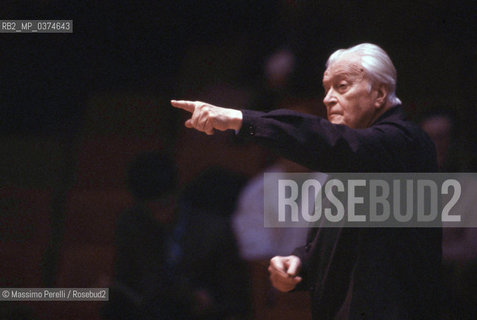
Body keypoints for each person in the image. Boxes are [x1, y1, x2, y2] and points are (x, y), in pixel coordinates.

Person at [171, 43, 442, 319]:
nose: (328, 99)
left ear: (380, 93)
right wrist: (300, 263)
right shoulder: (353, 155)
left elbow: (330, 142)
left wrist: (239, 119)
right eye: (327, 88)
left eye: (342, 86)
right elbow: (346, 243)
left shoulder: (405, 142)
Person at [103, 152, 250, 320]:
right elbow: (127, 281)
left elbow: (236, 299)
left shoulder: (213, 230)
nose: (160, 216)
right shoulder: (132, 225)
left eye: (165, 206)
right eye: (151, 210)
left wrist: (209, 303)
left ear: (176, 195)